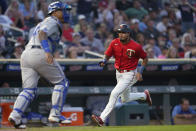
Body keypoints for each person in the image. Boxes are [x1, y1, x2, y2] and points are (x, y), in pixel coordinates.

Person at [8, 1, 72, 129]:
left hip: (26, 55)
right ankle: (55, 114)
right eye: (63, 10)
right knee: (62, 83)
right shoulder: (52, 21)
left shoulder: (45, 21)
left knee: (29, 90)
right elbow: (42, 34)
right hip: (40, 52)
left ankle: (15, 116)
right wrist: (47, 51)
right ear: (55, 12)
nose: (66, 13)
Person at [91, 24, 152, 126]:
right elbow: (108, 54)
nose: (121, 34)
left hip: (130, 74)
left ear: (128, 33)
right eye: (119, 32)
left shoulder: (136, 46)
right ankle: (144, 95)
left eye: (123, 32)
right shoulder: (114, 42)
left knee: (114, 93)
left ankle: (101, 119)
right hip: (118, 73)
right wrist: (104, 61)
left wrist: (140, 72)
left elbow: (145, 59)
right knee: (125, 99)